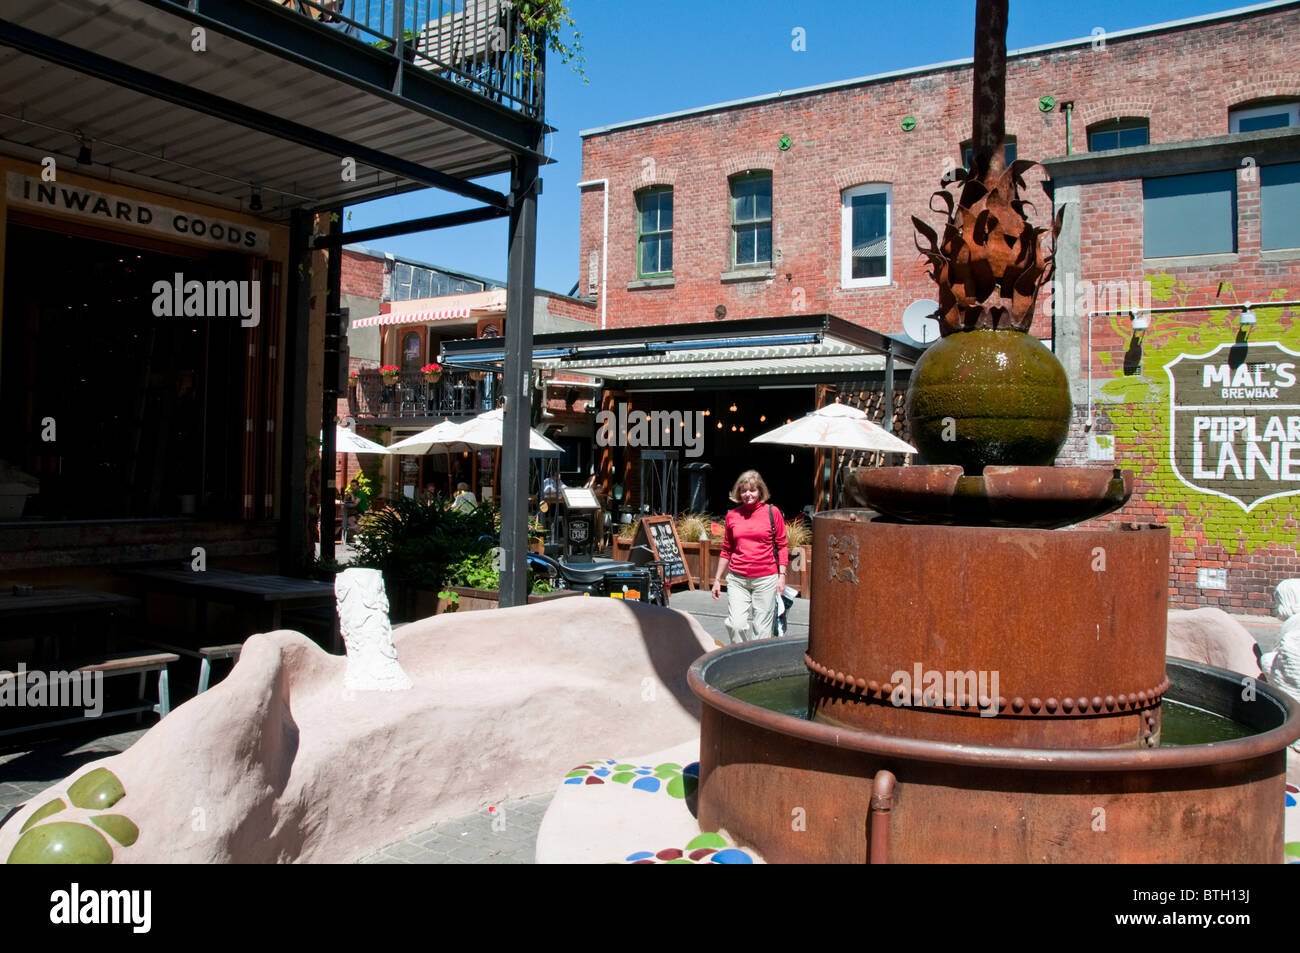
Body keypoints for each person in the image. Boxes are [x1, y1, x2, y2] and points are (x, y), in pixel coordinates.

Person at [711, 470, 788, 644]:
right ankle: (740, 659)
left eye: (752, 490)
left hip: (766, 578)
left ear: (760, 491)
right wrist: (717, 579)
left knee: (762, 630)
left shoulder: (772, 512)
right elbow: (727, 549)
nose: (748, 494)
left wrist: (781, 576)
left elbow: (782, 546)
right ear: (739, 493)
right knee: (736, 625)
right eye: (744, 490)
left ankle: (756, 665)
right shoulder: (733, 515)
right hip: (738, 579)